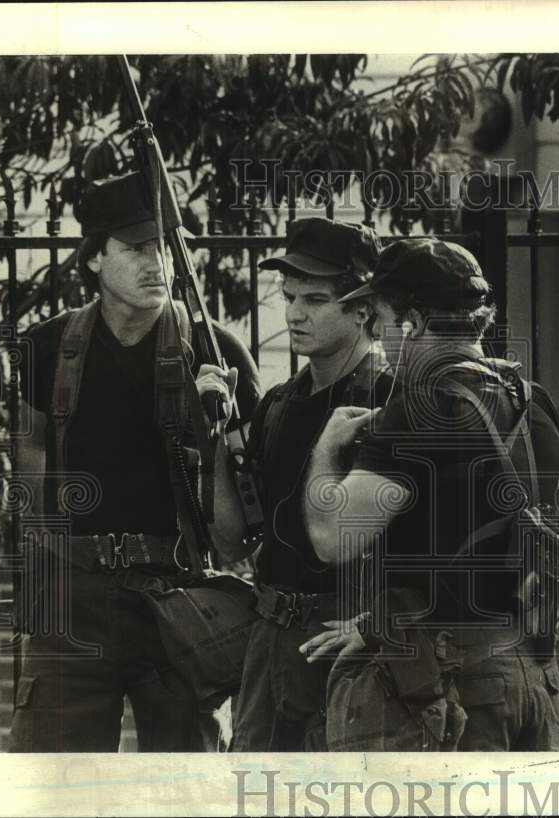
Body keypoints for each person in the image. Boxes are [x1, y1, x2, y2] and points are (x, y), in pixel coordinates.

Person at [8, 171, 260, 752]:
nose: (156, 264)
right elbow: (33, 449)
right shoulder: (48, 347)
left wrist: (212, 424)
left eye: (163, 248)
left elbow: (241, 519)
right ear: (94, 258)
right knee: (49, 778)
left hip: (179, 596)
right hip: (74, 596)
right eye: (135, 248)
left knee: (186, 785)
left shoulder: (217, 352)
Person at [299, 238, 559, 751]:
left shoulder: (419, 405)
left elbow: (332, 538)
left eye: (379, 319)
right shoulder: (533, 401)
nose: (376, 337)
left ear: (415, 322)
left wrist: (329, 446)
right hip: (524, 674)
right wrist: (379, 621)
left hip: (448, 688)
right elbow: (469, 547)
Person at [229, 217, 393, 751]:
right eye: (290, 296)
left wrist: (378, 624)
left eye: (315, 299)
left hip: (353, 640)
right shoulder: (277, 405)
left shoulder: (392, 403)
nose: (294, 313)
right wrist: (215, 437)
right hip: (273, 639)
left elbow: (432, 543)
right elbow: (233, 538)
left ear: (363, 308)